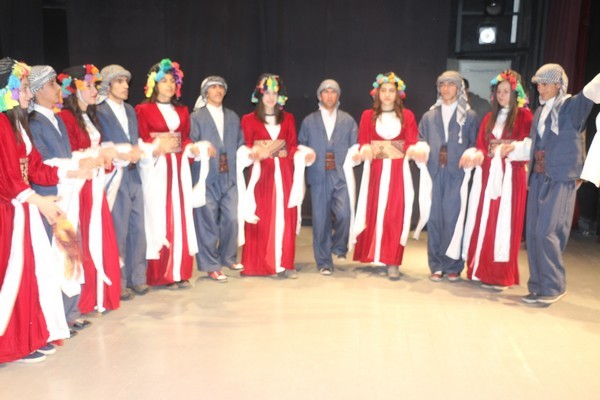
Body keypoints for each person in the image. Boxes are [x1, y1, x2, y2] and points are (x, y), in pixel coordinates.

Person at [0, 57, 84, 363]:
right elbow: (8, 178)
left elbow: (33, 166)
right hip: (8, 209)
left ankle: (24, 338)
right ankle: (8, 343)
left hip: (21, 206)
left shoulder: (17, 124)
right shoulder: (1, 124)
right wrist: (40, 202)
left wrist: (68, 172)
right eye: (23, 88)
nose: (28, 94)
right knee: (10, 272)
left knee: (29, 272)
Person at [522, 64, 600, 305]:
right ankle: (538, 286)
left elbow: (593, 88)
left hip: (560, 178)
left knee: (548, 231)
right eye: (538, 85)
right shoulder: (539, 112)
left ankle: (554, 285)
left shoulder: (572, 106)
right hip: (538, 177)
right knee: (533, 233)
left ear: (559, 85)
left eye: (545, 84)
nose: (540, 89)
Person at [28, 65, 94, 333]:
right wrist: (74, 167)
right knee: (54, 255)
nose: (58, 89)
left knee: (69, 250)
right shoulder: (34, 122)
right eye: (52, 84)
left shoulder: (55, 119)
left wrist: (81, 162)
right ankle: (56, 316)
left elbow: (65, 156)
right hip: (49, 195)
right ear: (38, 90)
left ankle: (69, 312)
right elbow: (42, 163)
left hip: (66, 192)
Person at [56, 64, 122, 314]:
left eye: (96, 85)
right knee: (83, 237)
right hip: (79, 187)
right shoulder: (65, 118)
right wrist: (95, 155)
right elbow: (69, 155)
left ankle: (97, 295)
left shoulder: (90, 116)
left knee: (97, 236)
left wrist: (105, 155)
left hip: (94, 185)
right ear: (74, 88)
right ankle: (83, 300)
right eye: (90, 85)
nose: (95, 90)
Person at [238, 74, 313, 277]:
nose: (271, 97)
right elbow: (246, 146)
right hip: (262, 175)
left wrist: (304, 154)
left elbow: (292, 146)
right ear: (259, 95)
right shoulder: (248, 119)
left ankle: (286, 264)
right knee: (261, 218)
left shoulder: (288, 118)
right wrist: (253, 153)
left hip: (285, 173)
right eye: (267, 93)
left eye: (274, 93)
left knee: (286, 217)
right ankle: (258, 264)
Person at [464, 70, 533, 289]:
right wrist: (476, 155)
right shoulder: (489, 118)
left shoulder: (525, 117)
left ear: (516, 93)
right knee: (486, 220)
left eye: (506, 91)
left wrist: (512, 148)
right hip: (488, 177)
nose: (502, 96)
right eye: (499, 91)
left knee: (504, 223)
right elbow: (481, 146)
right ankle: (482, 271)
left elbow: (530, 146)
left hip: (511, 177)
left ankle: (501, 275)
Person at [135, 58, 198, 289]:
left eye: (173, 81)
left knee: (180, 216)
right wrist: (154, 147)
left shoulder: (182, 110)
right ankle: (160, 274)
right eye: (164, 81)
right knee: (159, 215)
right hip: (157, 169)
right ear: (154, 84)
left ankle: (179, 271)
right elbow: (140, 139)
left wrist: (192, 148)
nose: (169, 85)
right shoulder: (142, 110)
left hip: (179, 169)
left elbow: (185, 137)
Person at [351, 72, 418, 280]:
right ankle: (376, 256)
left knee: (395, 215)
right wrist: (364, 149)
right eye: (384, 90)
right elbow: (363, 140)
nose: (387, 95)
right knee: (374, 213)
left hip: (398, 172)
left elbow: (412, 141)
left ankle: (393, 261)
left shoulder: (407, 116)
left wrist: (414, 151)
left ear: (398, 94)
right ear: (377, 93)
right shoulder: (367, 115)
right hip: (376, 172)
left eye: (391, 91)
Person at [414, 70, 479, 282]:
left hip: (456, 173)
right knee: (434, 219)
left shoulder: (469, 116)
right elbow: (421, 139)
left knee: (453, 218)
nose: (446, 88)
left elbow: (475, 143)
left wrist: (471, 153)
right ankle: (436, 264)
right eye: (442, 85)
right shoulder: (429, 116)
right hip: (435, 172)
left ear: (459, 88)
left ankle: (453, 265)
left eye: (451, 84)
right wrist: (421, 149)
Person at [96, 64, 148, 300]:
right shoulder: (99, 110)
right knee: (118, 228)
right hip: (115, 175)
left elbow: (135, 140)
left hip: (134, 173)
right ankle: (120, 281)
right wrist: (121, 152)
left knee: (138, 226)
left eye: (126, 82)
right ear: (107, 85)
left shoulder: (129, 110)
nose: (125, 86)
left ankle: (138, 277)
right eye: (119, 81)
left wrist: (137, 150)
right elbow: (99, 144)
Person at [298, 79, 358, 275]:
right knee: (321, 220)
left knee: (344, 214)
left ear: (338, 96)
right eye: (326, 92)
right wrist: (306, 154)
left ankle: (338, 246)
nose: (329, 95)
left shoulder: (348, 120)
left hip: (341, 174)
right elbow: (300, 145)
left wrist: (356, 155)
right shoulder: (309, 121)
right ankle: (324, 261)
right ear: (319, 95)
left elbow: (355, 145)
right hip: (318, 174)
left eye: (333, 92)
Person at [189, 76, 245, 282]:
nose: (218, 90)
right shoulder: (196, 117)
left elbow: (240, 144)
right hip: (206, 176)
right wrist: (200, 149)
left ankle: (228, 257)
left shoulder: (232, 117)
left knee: (232, 218)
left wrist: (250, 153)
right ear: (206, 92)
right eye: (213, 87)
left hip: (229, 176)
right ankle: (211, 265)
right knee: (207, 221)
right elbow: (191, 145)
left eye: (221, 87)